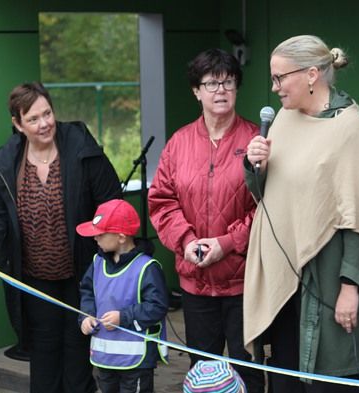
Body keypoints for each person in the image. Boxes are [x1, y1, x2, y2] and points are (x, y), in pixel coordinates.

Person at [243, 35, 359, 392]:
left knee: (332, 380)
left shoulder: (351, 130)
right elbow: (269, 196)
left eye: (280, 77)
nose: (274, 87)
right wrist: (255, 166)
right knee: (285, 377)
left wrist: (349, 288)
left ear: (312, 74)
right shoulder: (283, 119)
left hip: (328, 280)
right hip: (286, 279)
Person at [0, 82, 122, 393]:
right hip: (35, 279)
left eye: (47, 114)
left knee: (77, 351)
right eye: (33, 119)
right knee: (43, 353)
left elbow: (112, 201)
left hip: (81, 274)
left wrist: (111, 249)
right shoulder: (6, 160)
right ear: (17, 124)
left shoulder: (80, 145)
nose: (44, 124)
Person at [148, 49, 263, 392]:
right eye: (211, 83)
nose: (220, 90)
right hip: (195, 282)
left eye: (228, 81)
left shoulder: (257, 140)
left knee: (251, 373)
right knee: (203, 376)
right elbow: (162, 201)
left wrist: (226, 244)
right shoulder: (179, 143)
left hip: (246, 282)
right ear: (196, 91)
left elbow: (270, 208)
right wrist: (186, 241)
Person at [77, 199, 168, 393]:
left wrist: (123, 316)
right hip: (104, 358)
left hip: (136, 362)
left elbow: (157, 306)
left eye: (100, 234)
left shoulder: (146, 267)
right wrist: (86, 316)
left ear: (120, 237)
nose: (95, 239)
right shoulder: (97, 262)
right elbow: (87, 293)